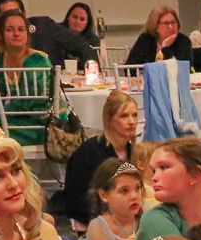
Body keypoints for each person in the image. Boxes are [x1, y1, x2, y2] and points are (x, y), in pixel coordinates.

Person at [59, 88, 141, 228]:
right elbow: (77, 200)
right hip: (91, 221)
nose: (131, 121)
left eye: (134, 115)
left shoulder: (133, 151)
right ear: (109, 120)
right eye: (124, 116)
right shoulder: (90, 152)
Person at [0, 10, 56, 149]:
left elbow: (34, 101)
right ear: (1, 34)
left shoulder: (38, 60)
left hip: (39, 125)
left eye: (21, 29)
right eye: (10, 30)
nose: (16, 34)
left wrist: (2, 117)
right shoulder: (1, 60)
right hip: (13, 121)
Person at [0, 0, 93, 69]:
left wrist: (91, 74)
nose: (13, 18)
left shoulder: (43, 26)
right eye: (6, 15)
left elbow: (82, 46)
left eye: (15, 13)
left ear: (24, 13)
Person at [124, 3, 191, 68]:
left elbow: (178, 69)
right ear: (155, 26)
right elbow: (129, 68)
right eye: (166, 23)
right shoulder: (145, 39)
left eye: (173, 22)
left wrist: (165, 47)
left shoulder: (183, 41)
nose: (170, 26)